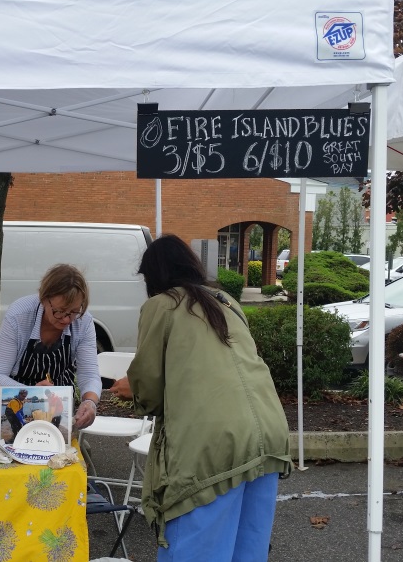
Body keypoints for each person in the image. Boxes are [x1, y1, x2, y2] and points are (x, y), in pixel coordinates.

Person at [110, 234, 291, 561]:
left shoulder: (161, 304)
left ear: (153, 275)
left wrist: (130, 389)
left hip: (213, 441)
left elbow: (148, 390)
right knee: (246, 552)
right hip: (269, 433)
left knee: (193, 553)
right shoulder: (226, 300)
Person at [0, 264, 100, 431]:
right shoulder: (18, 316)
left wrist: (90, 402)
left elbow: (89, 373)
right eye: (59, 311)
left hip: (53, 401)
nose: (66, 320)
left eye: (73, 312)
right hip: (9, 398)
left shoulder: (83, 322)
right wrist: (32, 393)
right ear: (43, 299)